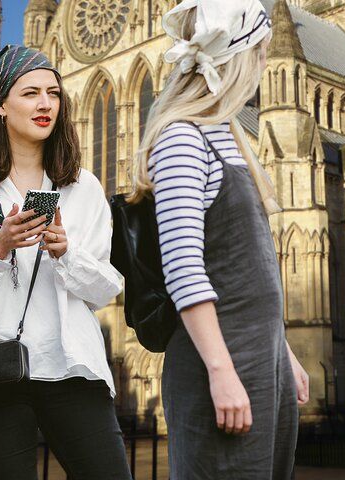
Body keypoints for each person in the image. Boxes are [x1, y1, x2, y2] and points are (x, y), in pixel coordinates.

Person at [0, 45, 131, 480]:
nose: (45, 104)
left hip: (70, 365)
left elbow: (106, 288)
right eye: (31, 92)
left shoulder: (83, 187)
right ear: (1, 104)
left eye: (53, 93)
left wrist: (65, 253)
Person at [129, 1, 310, 478]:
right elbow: (184, 268)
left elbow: (248, 269)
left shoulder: (227, 136)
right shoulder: (181, 138)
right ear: (236, 57)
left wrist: (282, 352)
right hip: (223, 362)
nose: (264, 67)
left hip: (260, 359)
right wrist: (221, 371)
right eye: (260, 53)